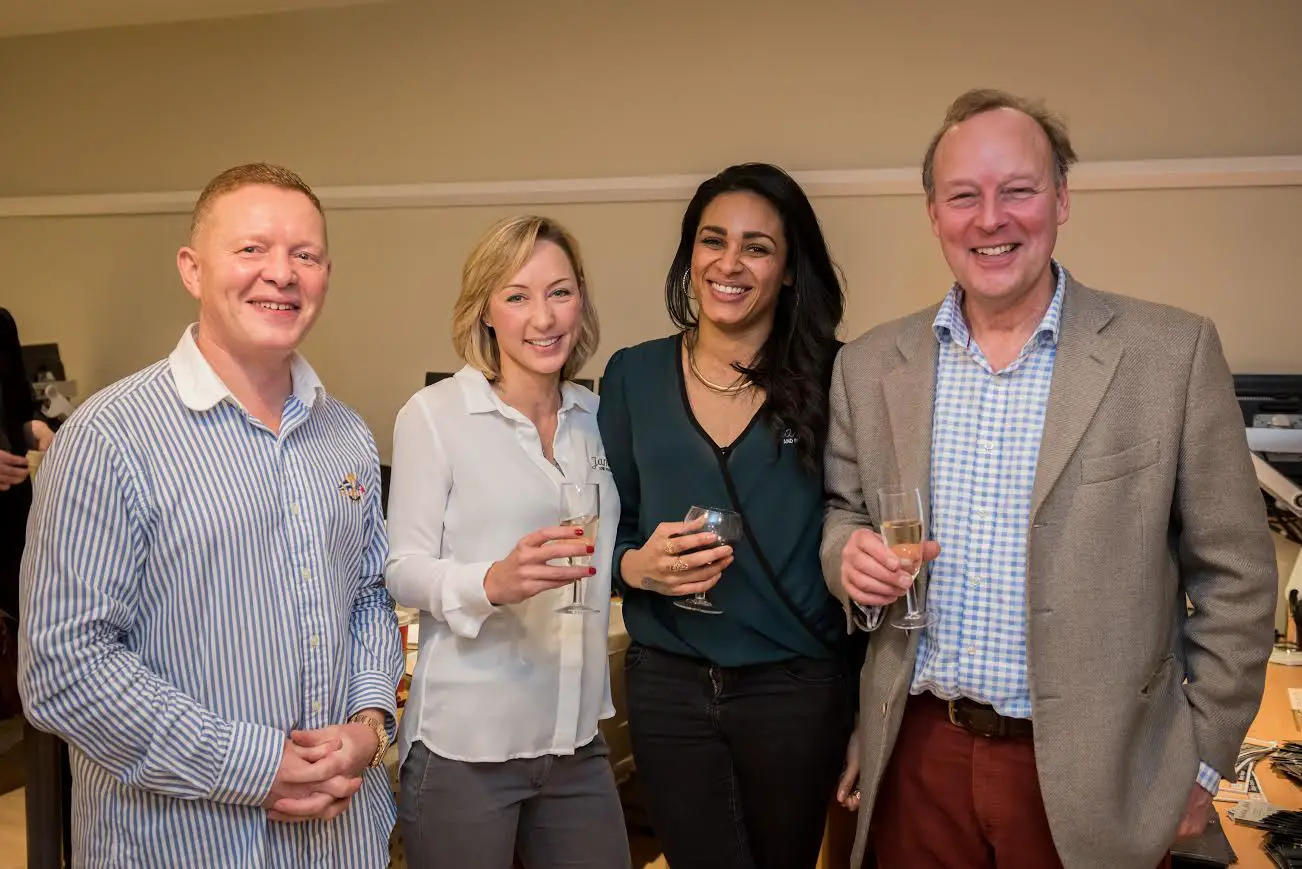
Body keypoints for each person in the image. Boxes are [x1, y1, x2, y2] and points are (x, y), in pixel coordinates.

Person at [824, 89, 1278, 869]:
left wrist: (1199, 764)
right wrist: (847, 556)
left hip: (1101, 773)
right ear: (934, 212)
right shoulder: (869, 366)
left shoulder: (1169, 354)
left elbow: (1237, 578)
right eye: (964, 195)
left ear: (1062, 198)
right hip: (919, 756)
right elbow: (842, 511)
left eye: (1018, 191)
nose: (990, 218)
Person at [19, 163, 404, 868]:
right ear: (192, 269)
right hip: (183, 846)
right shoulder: (111, 438)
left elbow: (371, 594)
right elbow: (64, 666)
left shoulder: (346, 434)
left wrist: (370, 721)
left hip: (343, 841)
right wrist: (253, 765)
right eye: (252, 249)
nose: (281, 273)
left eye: (305, 255)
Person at [599, 162, 853, 869]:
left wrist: (866, 710)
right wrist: (634, 566)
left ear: (790, 270)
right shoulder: (632, 375)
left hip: (796, 688)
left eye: (757, 246)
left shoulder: (841, 376)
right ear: (690, 256)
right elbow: (606, 527)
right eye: (713, 241)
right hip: (669, 685)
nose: (730, 263)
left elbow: (856, 528)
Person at [386, 215, 629, 869]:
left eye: (560, 291)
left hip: (576, 743)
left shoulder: (600, 420)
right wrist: (489, 581)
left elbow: (617, 550)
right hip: (466, 749)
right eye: (517, 295)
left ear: (582, 298)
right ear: (486, 312)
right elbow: (401, 569)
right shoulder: (435, 418)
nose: (543, 317)